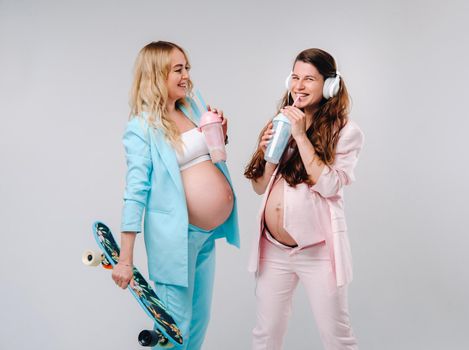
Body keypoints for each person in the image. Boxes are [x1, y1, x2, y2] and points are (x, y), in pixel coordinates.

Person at [111, 40, 240, 349]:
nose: (186, 76)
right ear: (156, 75)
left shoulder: (191, 105)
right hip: (175, 239)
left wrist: (222, 132)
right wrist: (125, 259)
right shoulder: (141, 127)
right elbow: (135, 191)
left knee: (197, 323)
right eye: (178, 69)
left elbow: (207, 155)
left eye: (187, 68)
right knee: (173, 330)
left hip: (205, 234)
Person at [244, 48, 364, 350]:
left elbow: (329, 185)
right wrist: (268, 154)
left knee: (336, 336)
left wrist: (300, 136)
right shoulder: (282, 120)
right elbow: (260, 187)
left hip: (317, 251)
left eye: (309, 79)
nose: (299, 86)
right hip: (274, 249)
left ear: (329, 85)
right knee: (266, 334)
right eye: (295, 77)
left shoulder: (347, 132)